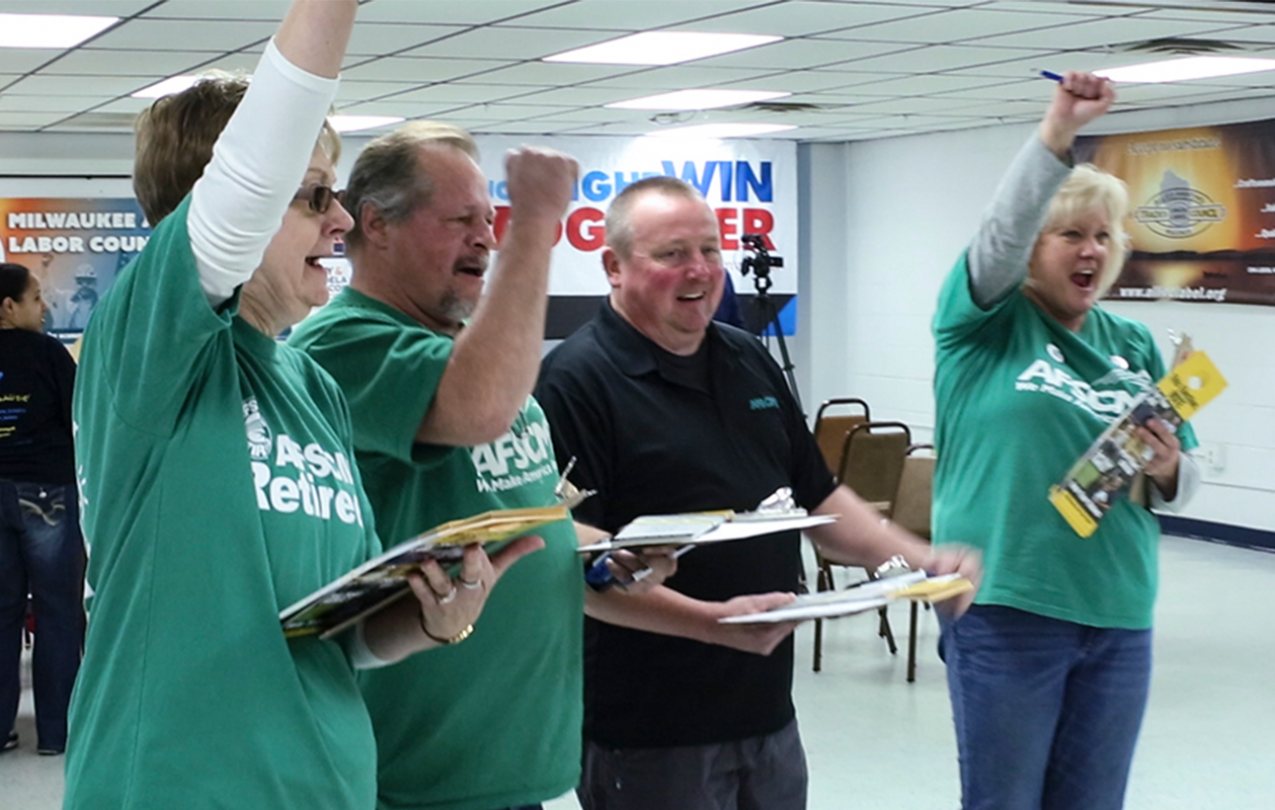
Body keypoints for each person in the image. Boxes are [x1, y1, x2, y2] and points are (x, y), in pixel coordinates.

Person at [66, 3, 535, 808]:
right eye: (314, 195)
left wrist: (432, 617)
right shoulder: (148, 354)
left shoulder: (311, 383)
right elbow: (248, 175)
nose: (343, 220)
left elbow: (334, 636)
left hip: (325, 787)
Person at [534, 175, 981, 810]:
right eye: (672, 254)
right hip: (648, 730)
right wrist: (713, 625)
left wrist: (919, 556)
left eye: (711, 250)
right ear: (613, 266)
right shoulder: (575, 382)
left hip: (766, 712)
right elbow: (576, 571)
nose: (701, 270)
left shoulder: (746, 356)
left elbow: (817, 499)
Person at [291, 123, 673, 810]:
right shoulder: (341, 342)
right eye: (462, 219)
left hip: (511, 765)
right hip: (413, 778)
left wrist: (600, 552)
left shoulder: (478, 353)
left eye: (491, 218)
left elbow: (522, 515)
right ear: (376, 225)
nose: (487, 237)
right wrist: (536, 223)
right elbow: (475, 411)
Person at [931, 71, 1200, 810]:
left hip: (1116, 613)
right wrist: (1058, 129)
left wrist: (1171, 463)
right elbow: (1000, 231)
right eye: (1071, 234)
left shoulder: (1134, 343)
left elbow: (1182, 475)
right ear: (1031, 247)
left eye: (1103, 236)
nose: (1091, 250)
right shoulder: (982, 323)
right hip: (1006, 607)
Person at [0, 263, 84, 756]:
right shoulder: (50, 354)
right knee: (57, 614)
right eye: (35, 299)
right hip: (47, 495)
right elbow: (80, 418)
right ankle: (57, 732)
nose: (45, 307)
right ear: (8, 307)